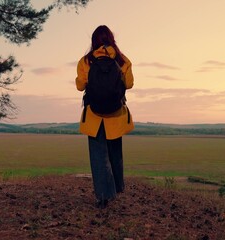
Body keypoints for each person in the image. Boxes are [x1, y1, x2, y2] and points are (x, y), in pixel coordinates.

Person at [75, 25, 134, 209]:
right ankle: (117, 189)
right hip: (115, 115)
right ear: (112, 39)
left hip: (94, 116)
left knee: (98, 157)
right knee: (115, 154)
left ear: (94, 41)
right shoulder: (122, 60)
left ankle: (103, 197)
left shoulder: (86, 61)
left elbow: (80, 86)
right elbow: (130, 84)